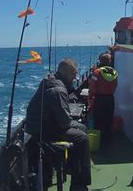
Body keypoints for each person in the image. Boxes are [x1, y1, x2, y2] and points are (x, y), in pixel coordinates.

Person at [25, 58, 91, 191]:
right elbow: (65, 123)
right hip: (44, 130)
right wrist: (75, 123)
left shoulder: (49, 80)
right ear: (65, 72)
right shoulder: (58, 90)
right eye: (73, 74)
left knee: (81, 129)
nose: (75, 77)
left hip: (38, 126)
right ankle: (79, 184)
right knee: (82, 137)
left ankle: (72, 168)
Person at [88, 53, 118, 143]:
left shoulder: (97, 72)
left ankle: (98, 141)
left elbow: (92, 86)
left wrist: (90, 96)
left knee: (98, 120)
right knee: (108, 119)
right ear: (109, 61)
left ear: (100, 61)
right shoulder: (114, 72)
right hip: (110, 99)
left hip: (100, 99)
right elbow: (115, 85)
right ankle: (107, 140)